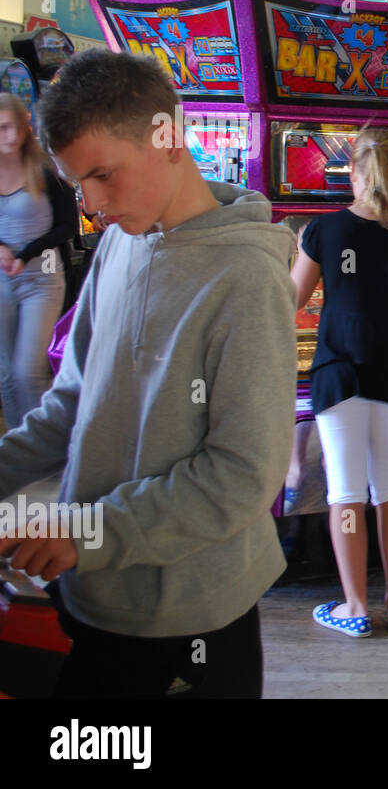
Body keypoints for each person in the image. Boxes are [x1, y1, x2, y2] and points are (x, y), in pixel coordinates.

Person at [0, 50, 295, 698]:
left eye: (104, 175)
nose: (91, 204)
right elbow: (72, 404)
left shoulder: (243, 278)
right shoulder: (117, 244)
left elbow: (243, 474)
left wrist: (91, 532)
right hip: (96, 589)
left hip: (188, 619)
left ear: (167, 138)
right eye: (77, 185)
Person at [290, 129, 388, 638]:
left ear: (351, 172)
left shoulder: (322, 231)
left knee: (345, 493)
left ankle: (354, 607)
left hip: (337, 369)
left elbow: (290, 302)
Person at [0, 93, 77, 428]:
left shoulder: (45, 168)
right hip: (3, 281)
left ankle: (41, 450)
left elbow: (67, 227)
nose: (10, 137)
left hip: (42, 277)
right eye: (2, 129)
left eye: (14, 127)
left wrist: (24, 253)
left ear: (26, 124)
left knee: (28, 370)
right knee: (5, 372)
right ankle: (16, 453)